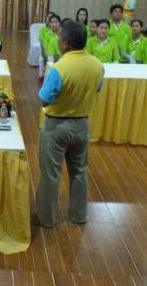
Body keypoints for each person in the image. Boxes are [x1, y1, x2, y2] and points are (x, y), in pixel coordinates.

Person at [37, 20, 104, 228]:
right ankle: (79, 214)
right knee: (80, 171)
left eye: (59, 38)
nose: (57, 41)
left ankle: (47, 218)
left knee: (51, 175)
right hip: (83, 125)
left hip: (57, 126)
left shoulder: (59, 68)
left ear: (66, 43)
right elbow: (98, 88)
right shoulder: (97, 65)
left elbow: (44, 100)